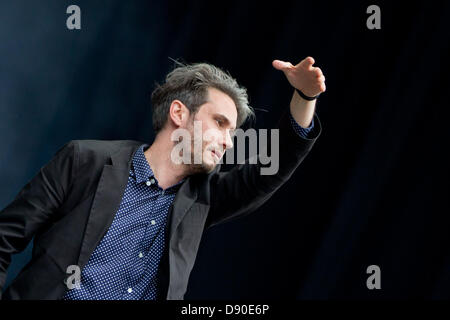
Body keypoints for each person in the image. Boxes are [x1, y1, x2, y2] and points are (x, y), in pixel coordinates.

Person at [0, 57, 325, 300]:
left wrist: (305, 97)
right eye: (220, 122)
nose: (229, 141)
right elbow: (5, 238)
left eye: (233, 132)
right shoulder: (85, 160)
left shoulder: (201, 200)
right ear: (179, 113)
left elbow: (268, 169)